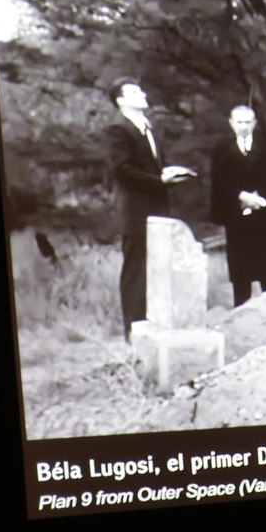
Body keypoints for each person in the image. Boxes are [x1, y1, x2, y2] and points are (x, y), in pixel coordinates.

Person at [102, 76, 196, 338]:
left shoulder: (148, 127)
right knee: (136, 268)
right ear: (121, 100)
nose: (142, 94)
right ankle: (134, 329)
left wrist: (167, 172)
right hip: (134, 210)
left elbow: (148, 167)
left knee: (157, 266)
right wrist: (159, 179)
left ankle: (154, 325)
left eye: (140, 89)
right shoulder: (117, 129)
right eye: (134, 91)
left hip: (156, 206)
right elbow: (122, 170)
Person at [208, 104, 266, 307]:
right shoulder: (221, 149)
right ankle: (241, 314)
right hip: (236, 214)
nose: (243, 126)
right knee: (240, 273)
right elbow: (218, 180)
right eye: (239, 122)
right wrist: (241, 196)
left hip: (264, 214)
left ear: (254, 123)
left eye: (248, 122)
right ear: (231, 123)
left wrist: (259, 199)